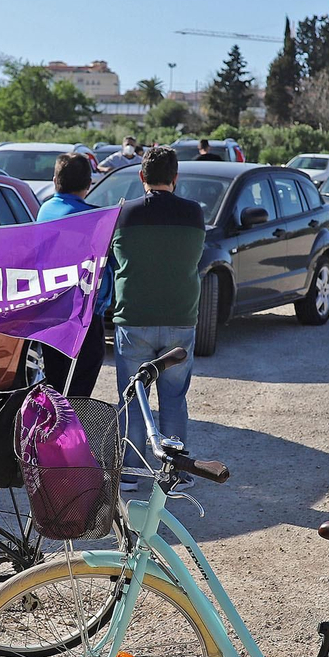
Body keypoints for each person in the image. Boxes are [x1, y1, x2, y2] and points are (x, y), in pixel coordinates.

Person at [109, 147, 206, 490]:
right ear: (175, 178)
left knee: (134, 398)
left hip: (133, 316)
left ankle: (132, 473)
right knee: (174, 396)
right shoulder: (194, 214)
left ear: (141, 177)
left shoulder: (123, 214)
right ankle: (175, 471)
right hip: (181, 316)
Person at [36, 153, 112, 397]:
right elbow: (104, 271)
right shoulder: (92, 218)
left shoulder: (45, 209)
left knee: (55, 386)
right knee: (78, 393)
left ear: (55, 179)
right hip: (82, 317)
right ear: (88, 184)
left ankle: (52, 432)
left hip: (50, 312)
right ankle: (70, 434)